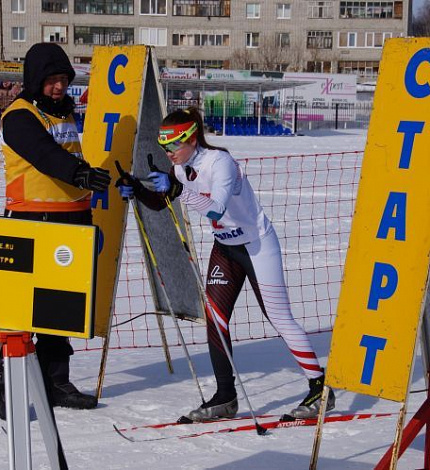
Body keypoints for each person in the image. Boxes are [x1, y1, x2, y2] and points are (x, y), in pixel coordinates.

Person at [116, 107, 335, 421]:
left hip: (256, 245)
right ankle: (225, 397)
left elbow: (216, 209)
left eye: (174, 145)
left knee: (279, 317)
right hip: (226, 248)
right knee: (215, 319)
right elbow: (165, 201)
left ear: (192, 139)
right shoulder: (181, 168)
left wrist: (177, 189)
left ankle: (320, 389)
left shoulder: (221, 163)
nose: (169, 153)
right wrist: (138, 190)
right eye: (165, 147)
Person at [0, 42, 111, 419]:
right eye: (51, 81)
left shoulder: (63, 112)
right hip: (31, 224)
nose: (59, 87)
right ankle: (4, 389)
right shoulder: (18, 117)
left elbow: (67, 152)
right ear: (35, 81)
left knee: (59, 310)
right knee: (17, 313)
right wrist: (79, 173)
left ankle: (56, 383)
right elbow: (44, 155)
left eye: (63, 79)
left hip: (70, 222)